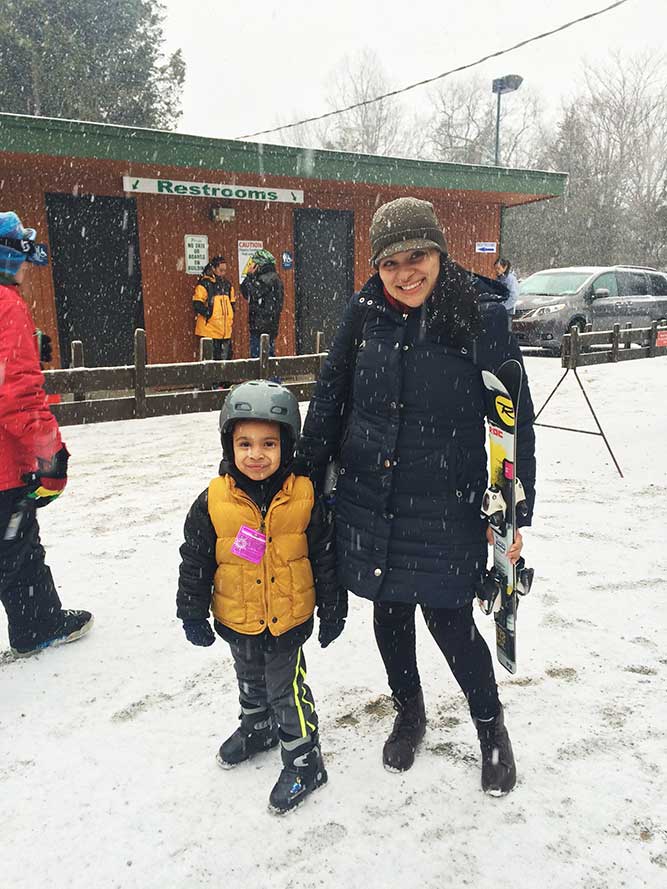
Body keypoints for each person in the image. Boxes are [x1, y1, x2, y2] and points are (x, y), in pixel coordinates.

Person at [296, 198, 536, 796]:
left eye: (416, 257)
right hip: (372, 494)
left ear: (439, 253)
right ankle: (409, 711)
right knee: (389, 611)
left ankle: (491, 728)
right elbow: (329, 397)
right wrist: (304, 477)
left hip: (446, 501)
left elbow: (513, 422)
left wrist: (514, 514)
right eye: (390, 263)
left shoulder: (478, 314)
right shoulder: (364, 313)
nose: (405, 274)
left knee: (450, 619)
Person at [176, 380, 347, 813]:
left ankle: (305, 759)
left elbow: (325, 556)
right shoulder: (214, 501)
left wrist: (333, 608)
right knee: (249, 677)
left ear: (286, 445)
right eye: (245, 444)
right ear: (229, 445)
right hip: (238, 615)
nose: (256, 455)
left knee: (286, 690)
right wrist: (192, 612)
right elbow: (196, 559)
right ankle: (258, 728)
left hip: (287, 618)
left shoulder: (305, 497)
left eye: (269, 443)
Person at [0, 211, 93, 657]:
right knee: (17, 548)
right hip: (4, 463)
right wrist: (50, 452)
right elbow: (16, 393)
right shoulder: (6, 305)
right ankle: (38, 625)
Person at [239, 249, 284, 358]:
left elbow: (254, 293)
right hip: (266, 325)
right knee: (267, 356)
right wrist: (250, 277)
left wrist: (250, 276)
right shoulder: (271, 277)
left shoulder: (267, 279)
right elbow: (246, 292)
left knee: (259, 358)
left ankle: (266, 370)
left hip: (262, 325)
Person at [193, 255, 236, 360]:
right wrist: (209, 314)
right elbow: (197, 303)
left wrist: (230, 315)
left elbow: (232, 303)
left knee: (226, 363)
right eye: (221, 270)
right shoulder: (205, 284)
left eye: (225, 270)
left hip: (225, 331)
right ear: (213, 268)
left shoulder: (227, 285)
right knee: (211, 363)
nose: (223, 273)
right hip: (210, 331)